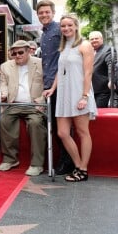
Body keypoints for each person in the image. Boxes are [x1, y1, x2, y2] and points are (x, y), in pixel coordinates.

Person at [43, 15, 96, 182]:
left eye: (69, 25)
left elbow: (88, 72)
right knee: (62, 133)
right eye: (63, 26)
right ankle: (78, 165)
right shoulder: (64, 46)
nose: (66, 28)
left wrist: (85, 96)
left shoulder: (85, 45)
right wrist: (52, 88)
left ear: (76, 26)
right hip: (64, 94)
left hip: (79, 92)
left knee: (82, 132)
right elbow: (61, 70)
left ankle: (83, 170)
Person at [0, 40, 47, 176]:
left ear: (29, 51)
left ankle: (37, 164)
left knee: (36, 123)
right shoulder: (5, 66)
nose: (17, 55)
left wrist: (42, 99)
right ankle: (10, 159)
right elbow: (3, 84)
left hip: (34, 104)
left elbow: (48, 84)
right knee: (5, 120)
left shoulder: (40, 63)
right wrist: (3, 94)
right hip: (14, 103)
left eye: (20, 52)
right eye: (14, 53)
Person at [37, 0, 74, 175]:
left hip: (59, 85)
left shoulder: (59, 30)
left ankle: (68, 162)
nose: (44, 15)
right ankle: (65, 160)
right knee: (53, 125)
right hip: (48, 85)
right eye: (41, 13)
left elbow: (66, 57)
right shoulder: (43, 33)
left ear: (53, 13)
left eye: (47, 12)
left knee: (63, 127)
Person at [89, 31, 115, 108]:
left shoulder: (108, 50)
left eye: (96, 38)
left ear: (102, 39)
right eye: (91, 39)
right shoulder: (89, 51)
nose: (94, 40)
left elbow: (111, 65)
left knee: (98, 112)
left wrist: (111, 80)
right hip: (89, 89)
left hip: (102, 90)